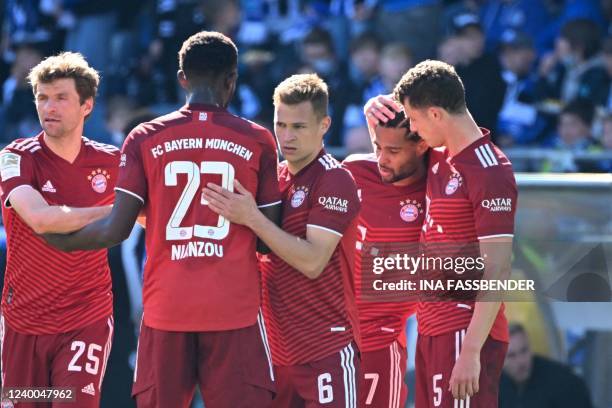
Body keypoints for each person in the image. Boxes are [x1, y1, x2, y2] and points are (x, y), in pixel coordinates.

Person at [44, 31, 280, 408]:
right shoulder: (258, 140)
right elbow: (268, 239)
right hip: (233, 310)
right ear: (232, 79)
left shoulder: (143, 137)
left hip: (166, 309)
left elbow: (115, 229)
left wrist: (58, 240)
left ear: (181, 78)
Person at [365, 59, 517, 407]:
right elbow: (393, 153)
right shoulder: (439, 155)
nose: (413, 129)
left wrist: (471, 351)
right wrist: (371, 107)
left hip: (465, 332)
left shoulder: (490, 172)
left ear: (435, 114)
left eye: (415, 120)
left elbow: (498, 270)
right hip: (432, 329)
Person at [202, 73, 361, 408]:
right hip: (274, 352)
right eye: (280, 124)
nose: (286, 136)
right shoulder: (271, 178)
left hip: (325, 349)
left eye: (299, 127)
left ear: (324, 125)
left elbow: (313, 261)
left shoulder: (335, 179)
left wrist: (253, 218)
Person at [0, 51, 118, 407]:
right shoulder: (15, 156)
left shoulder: (114, 162)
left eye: (61, 97)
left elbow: (150, 217)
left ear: (87, 105)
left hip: (86, 318)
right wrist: (115, 211)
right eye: (42, 97)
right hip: (23, 323)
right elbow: (40, 219)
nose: (48, 106)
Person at [343, 107, 428, 407]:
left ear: (422, 146)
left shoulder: (439, 186)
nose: (382, 159)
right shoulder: (353, 172)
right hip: (328, 336)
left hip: (382, 340)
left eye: (393, 150)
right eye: (378, 147)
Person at [499, 323, 593, 408]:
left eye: (524, 351)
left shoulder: (563, 381)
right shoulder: (495, 386)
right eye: (511, 356)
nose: (520, 361)